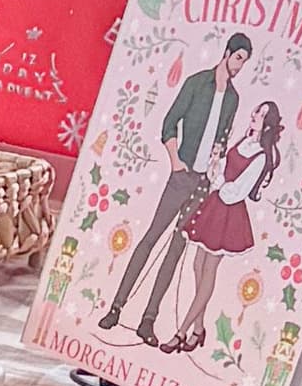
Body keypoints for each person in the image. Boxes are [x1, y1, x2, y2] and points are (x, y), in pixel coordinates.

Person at [102, 28, 256, 340]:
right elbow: (169, 123)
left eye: (244, 62)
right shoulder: (197, 83)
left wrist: (217, 160)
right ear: (227, 53)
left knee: (176, 250)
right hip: (181, 174)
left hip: (203, 183)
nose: (240, 66)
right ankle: (116, 307)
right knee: (151, 237)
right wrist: (175, 161)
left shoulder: (234, 99)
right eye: (238, 58)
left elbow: (223, 136)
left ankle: (149, 319)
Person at [149, 97, 281, 354]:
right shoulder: (243, 141)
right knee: (197, 265)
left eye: (261, 114)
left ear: (268, 124)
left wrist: (219, 180)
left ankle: (181, 331)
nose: (255, 115)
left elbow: (237, 191)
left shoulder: (260, 156)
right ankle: (199, 328)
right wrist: (215, 164)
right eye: (257, 110)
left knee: (209, 268)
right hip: (215, 205)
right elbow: (220, 173)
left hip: (229, 214)